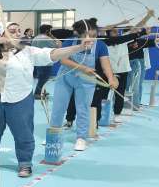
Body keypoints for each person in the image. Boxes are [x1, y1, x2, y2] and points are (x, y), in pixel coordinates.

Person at [0, 21, 91, 177]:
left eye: (19, 31)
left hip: (20, 99)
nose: (19, 33)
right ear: (0, 34)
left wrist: (79, 47)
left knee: (23, 133)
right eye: (13, 31)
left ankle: (25, 163)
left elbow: (52, 54)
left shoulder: (28, 51)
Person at [49, 18, 118, 151]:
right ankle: (53, 136)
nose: (91, 39)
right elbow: (62, 60)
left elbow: (106, 65)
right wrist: (82, 68)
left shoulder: (101, 46)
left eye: (93, 36)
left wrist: (111, 78)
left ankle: (81, 138)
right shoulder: (70, 41)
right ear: (79, 35)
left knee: (83, 108)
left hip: (86, 80)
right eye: (87, 36)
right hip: (66, 77)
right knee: (58, 107)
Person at [100, 11, 153, 123]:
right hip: (107, 72)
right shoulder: (103, 41)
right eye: (113, 30)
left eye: (117, 30)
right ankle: (101, 115)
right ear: (108, 33)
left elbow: (137, 27)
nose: (116, 31)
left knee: (120, 94)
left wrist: (148, 16)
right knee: (103, 94)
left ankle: (117, 114)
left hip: (122, 71)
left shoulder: (124, 38)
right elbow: (103, 29)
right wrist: (120, 22)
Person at [32, 24, 62, 99]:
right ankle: (37, 94)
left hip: (37, 61)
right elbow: (59, 46)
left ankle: (41, 92)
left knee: (41, 78)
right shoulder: (48, 39)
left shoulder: (35, 38)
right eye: (50, 30)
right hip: (46, 62)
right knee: (43, 78)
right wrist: (53, 37)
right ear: (48, 31)